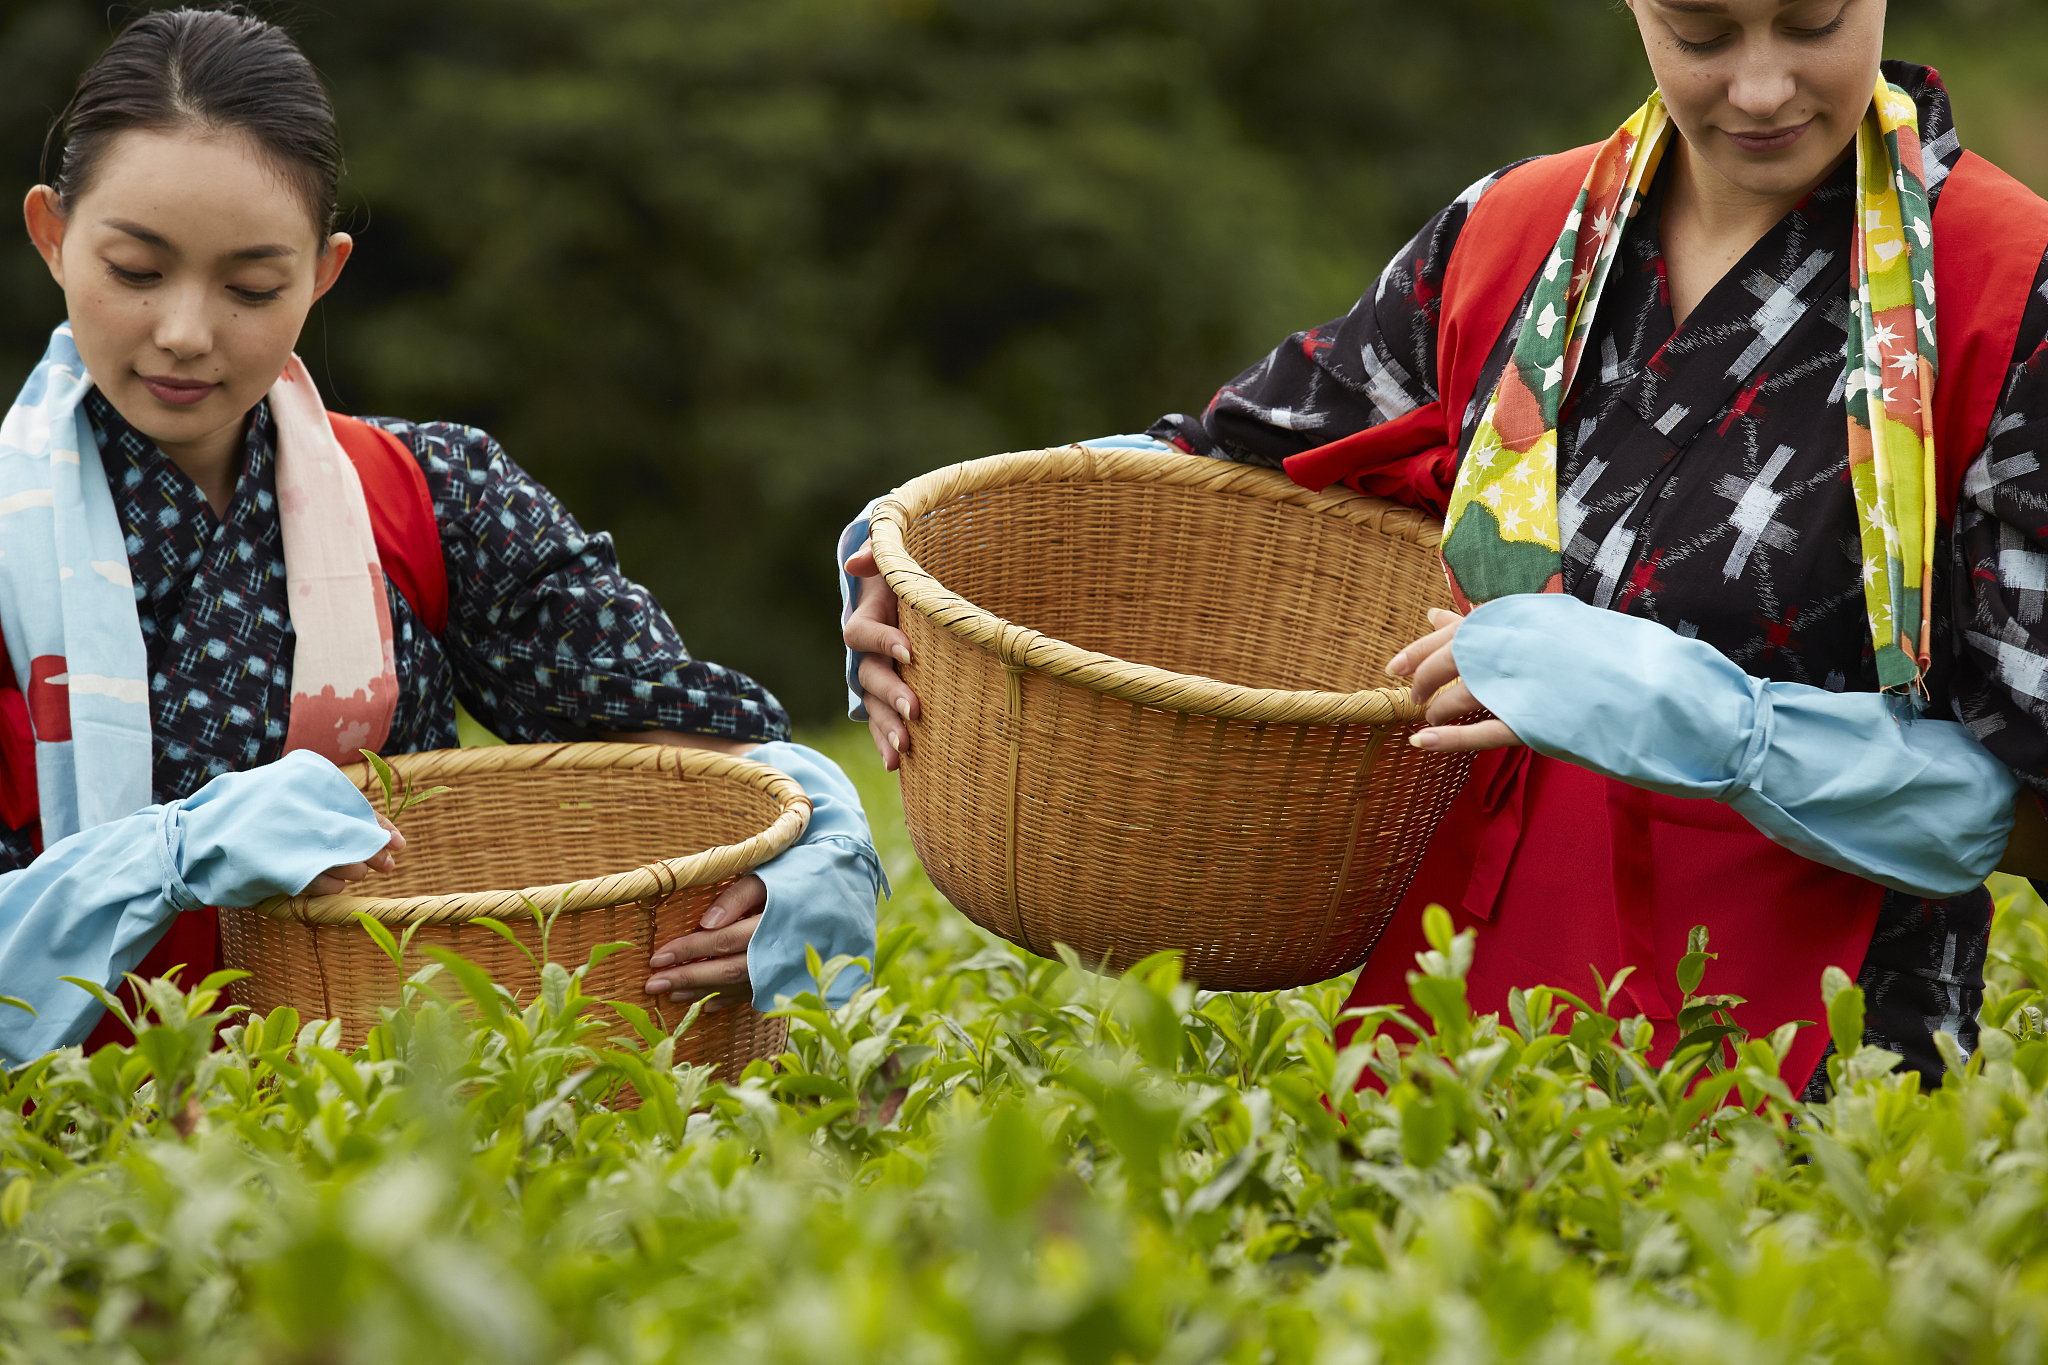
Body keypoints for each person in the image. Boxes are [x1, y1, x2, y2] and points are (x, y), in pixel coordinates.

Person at [843, 0, 2048, 1096]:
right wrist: (937, 558)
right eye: (1700, 32)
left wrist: (1720, 729)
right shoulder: (1519, 233)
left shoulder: (2003, 284)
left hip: (1820, 1076)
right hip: (1448, 1039)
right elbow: (1227, 473)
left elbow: (2027, 802)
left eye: (1808, 22)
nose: (1758, 86)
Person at [0, 7, 880, 1063]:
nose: (186, 332)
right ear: (51, 235)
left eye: (251, 287)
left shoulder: (427, 496)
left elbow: (697, 753)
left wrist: (807, 844)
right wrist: (173, 856)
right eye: (137, 271)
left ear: (322, 275)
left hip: (388, 1125)